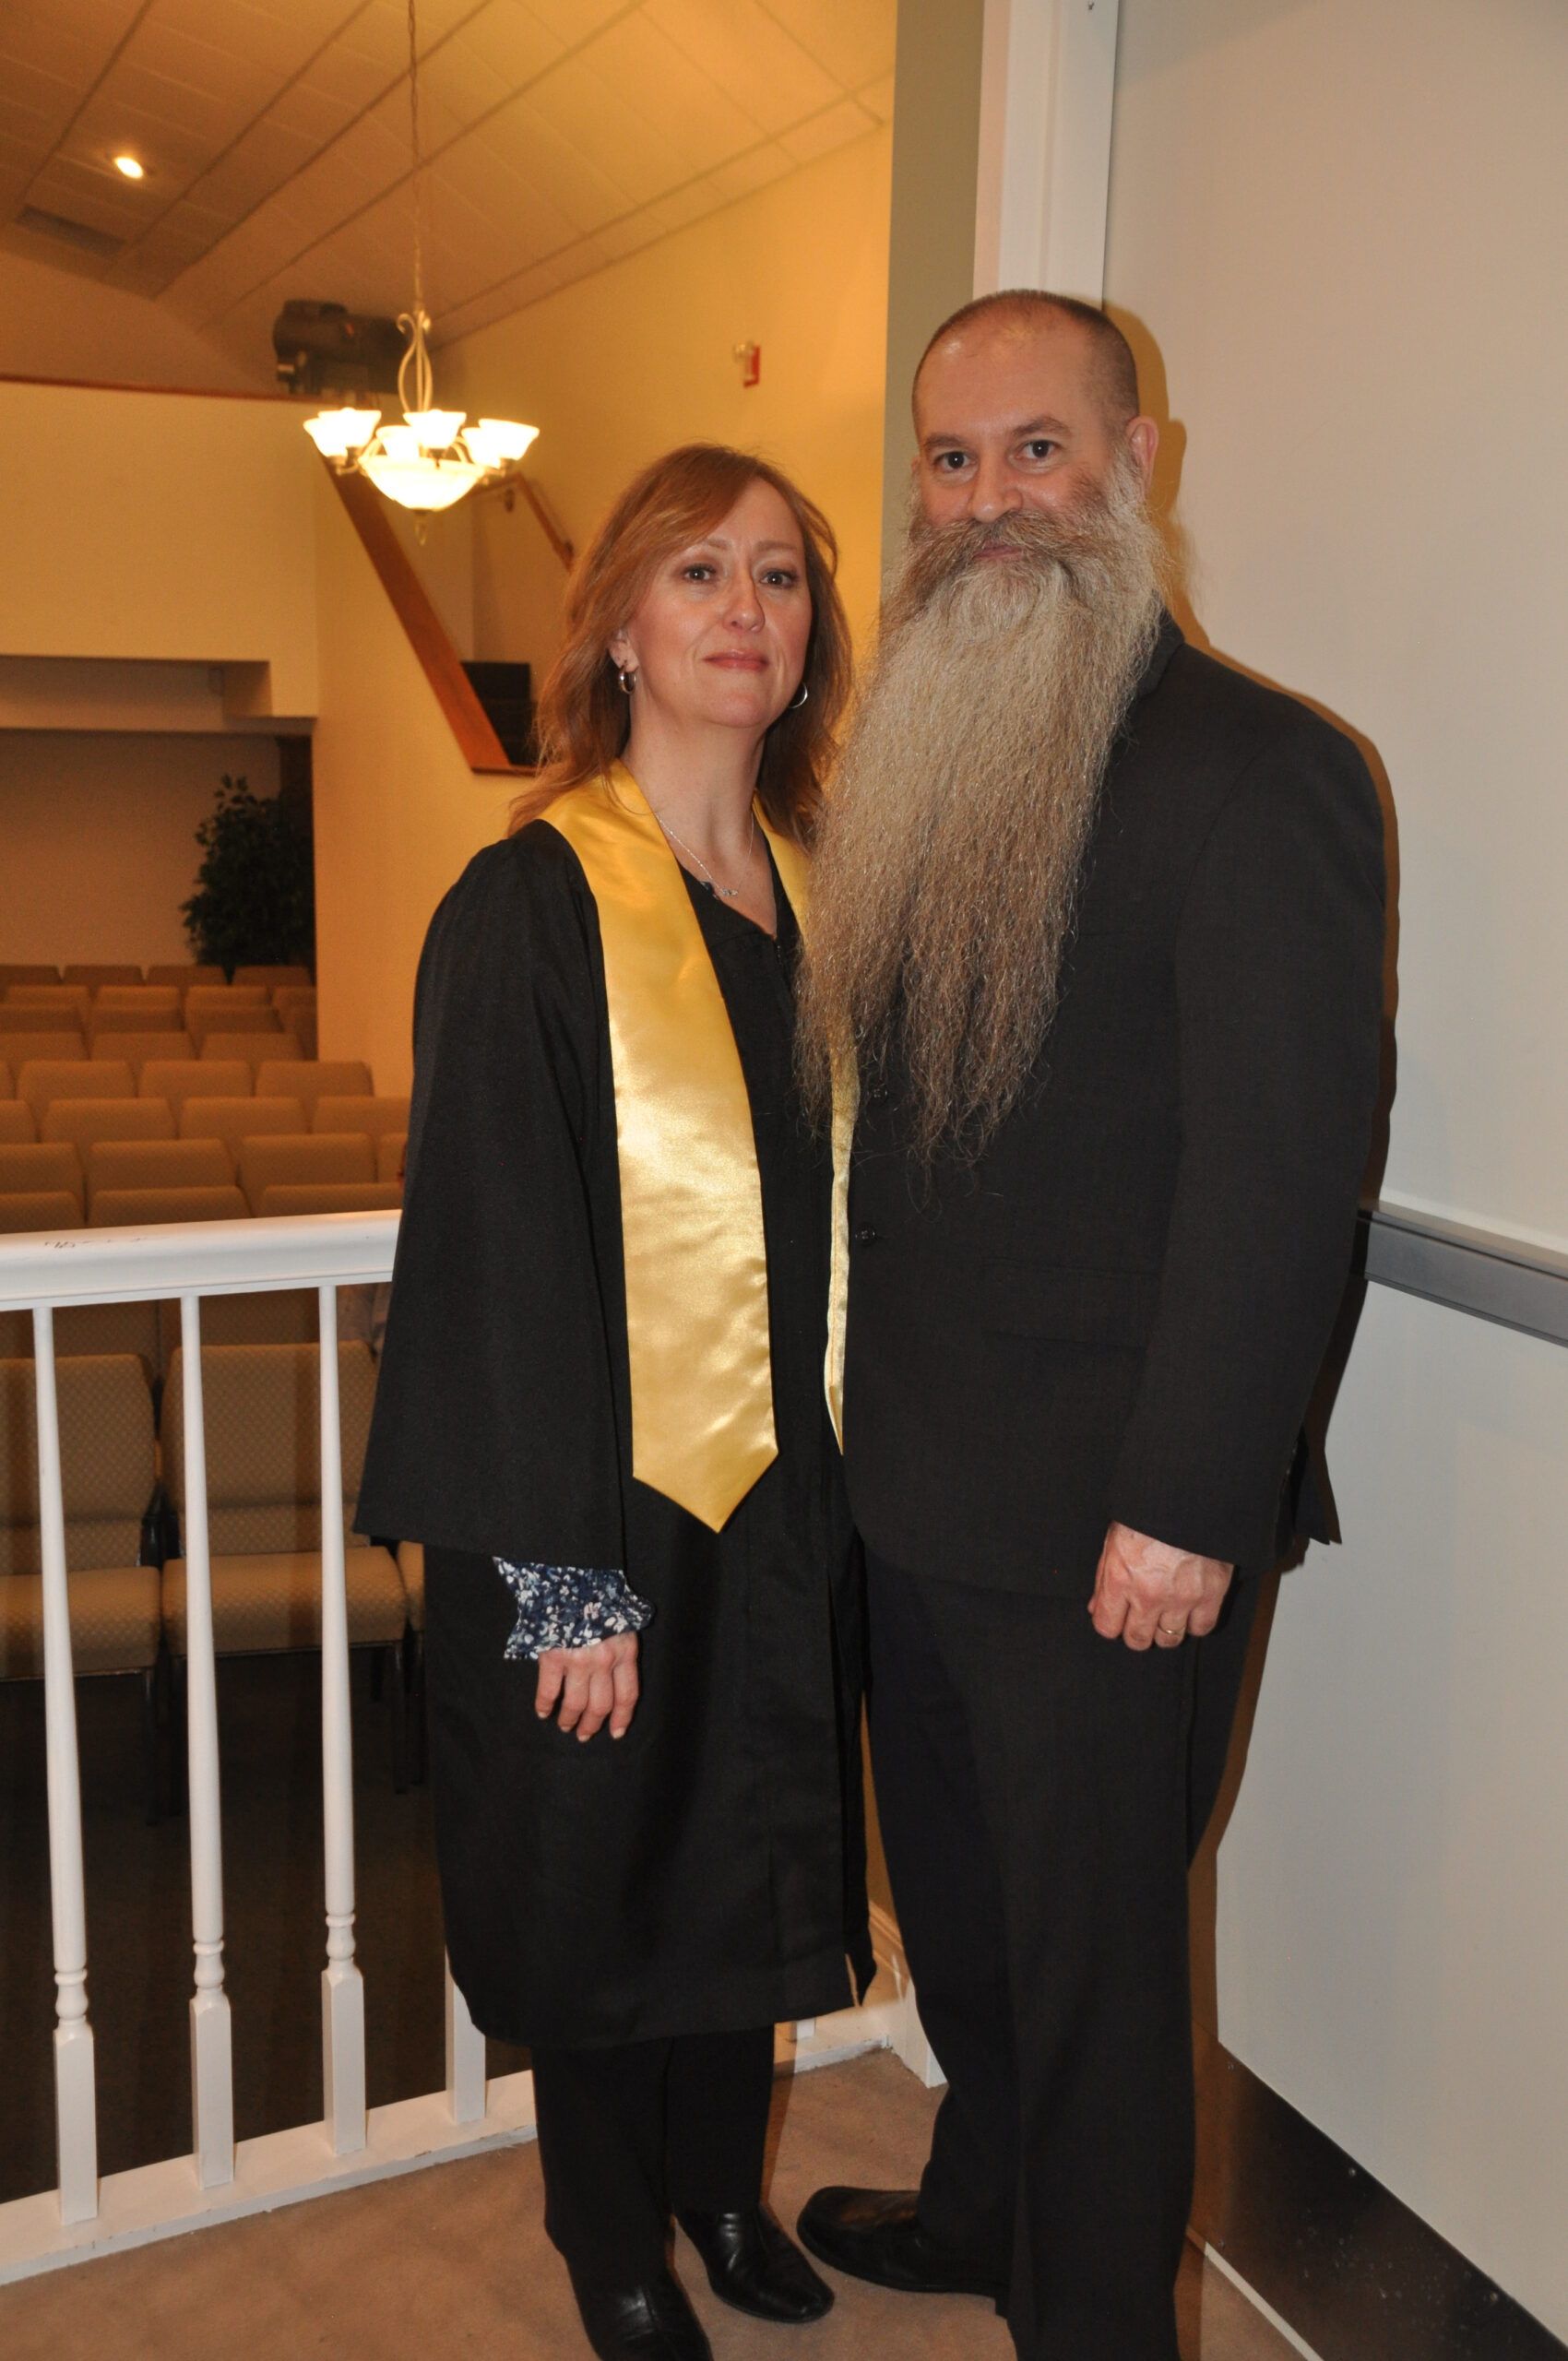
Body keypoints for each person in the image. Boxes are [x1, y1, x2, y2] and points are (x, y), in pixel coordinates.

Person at [793, 292, 1386, 2360]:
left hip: (1115, 1540)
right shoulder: (922, 753)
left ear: (1139, 466)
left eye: (1033, 450)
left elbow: (1279, 1175)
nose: (986, 504)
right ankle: (985, 2204)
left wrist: (1182, 1506)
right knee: (964, 1933)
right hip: (922, 1493)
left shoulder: (1267, 772)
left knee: (1098, 1979)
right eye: (949, 463)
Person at [357, 444, 872, 2361]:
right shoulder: (532, 901)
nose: (746, 614)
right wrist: (557, 1569)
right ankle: (611, 2229)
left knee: (747, 1843)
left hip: (784, 1484)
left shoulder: (825, 899)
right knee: (601, 1864)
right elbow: (492, 1245)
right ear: (623, 630)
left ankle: (724, 2183)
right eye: (699, 576)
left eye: (781, 579)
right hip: (605, 1487)